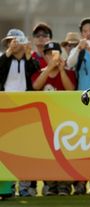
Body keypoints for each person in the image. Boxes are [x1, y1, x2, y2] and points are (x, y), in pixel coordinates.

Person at [32, 42, 77, 195]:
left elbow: (70, 89)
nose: (52, 56)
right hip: (45, 120)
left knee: (64, 153)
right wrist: (49, 69)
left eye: (55, 53)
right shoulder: (40, 71)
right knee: (48, 154)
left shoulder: (68, 72)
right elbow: (36, 86)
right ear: (44, 56)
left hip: (64, 120)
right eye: (48, 53)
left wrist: (61, 70)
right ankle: (50, 185)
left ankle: (64, 185)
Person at [0, 29, 39, 197]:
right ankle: (6, 188)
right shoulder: (4, 58)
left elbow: (34, 71)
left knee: (25, 148)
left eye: (16, 41)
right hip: (5, 107)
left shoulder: (29, 59)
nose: (13, 44)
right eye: (10, 41)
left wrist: (28, 53)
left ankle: (26, 186)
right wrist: (8, 53)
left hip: (25, 107)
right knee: (6, 149)